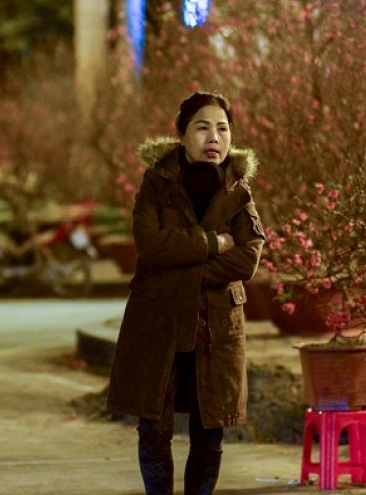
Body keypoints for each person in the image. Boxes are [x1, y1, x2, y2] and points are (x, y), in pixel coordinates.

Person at [107, 92, 266, 495]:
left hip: (217, 327)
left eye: (223, 128)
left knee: (209, 430)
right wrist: (211, 244)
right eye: (203, 127)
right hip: (159, 322)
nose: (214, 137)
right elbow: (149, 244)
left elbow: (247, 259)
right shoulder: (158, 184)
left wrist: (182, 264)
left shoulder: (237, 189)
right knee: (154, 427)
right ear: (182, 135)